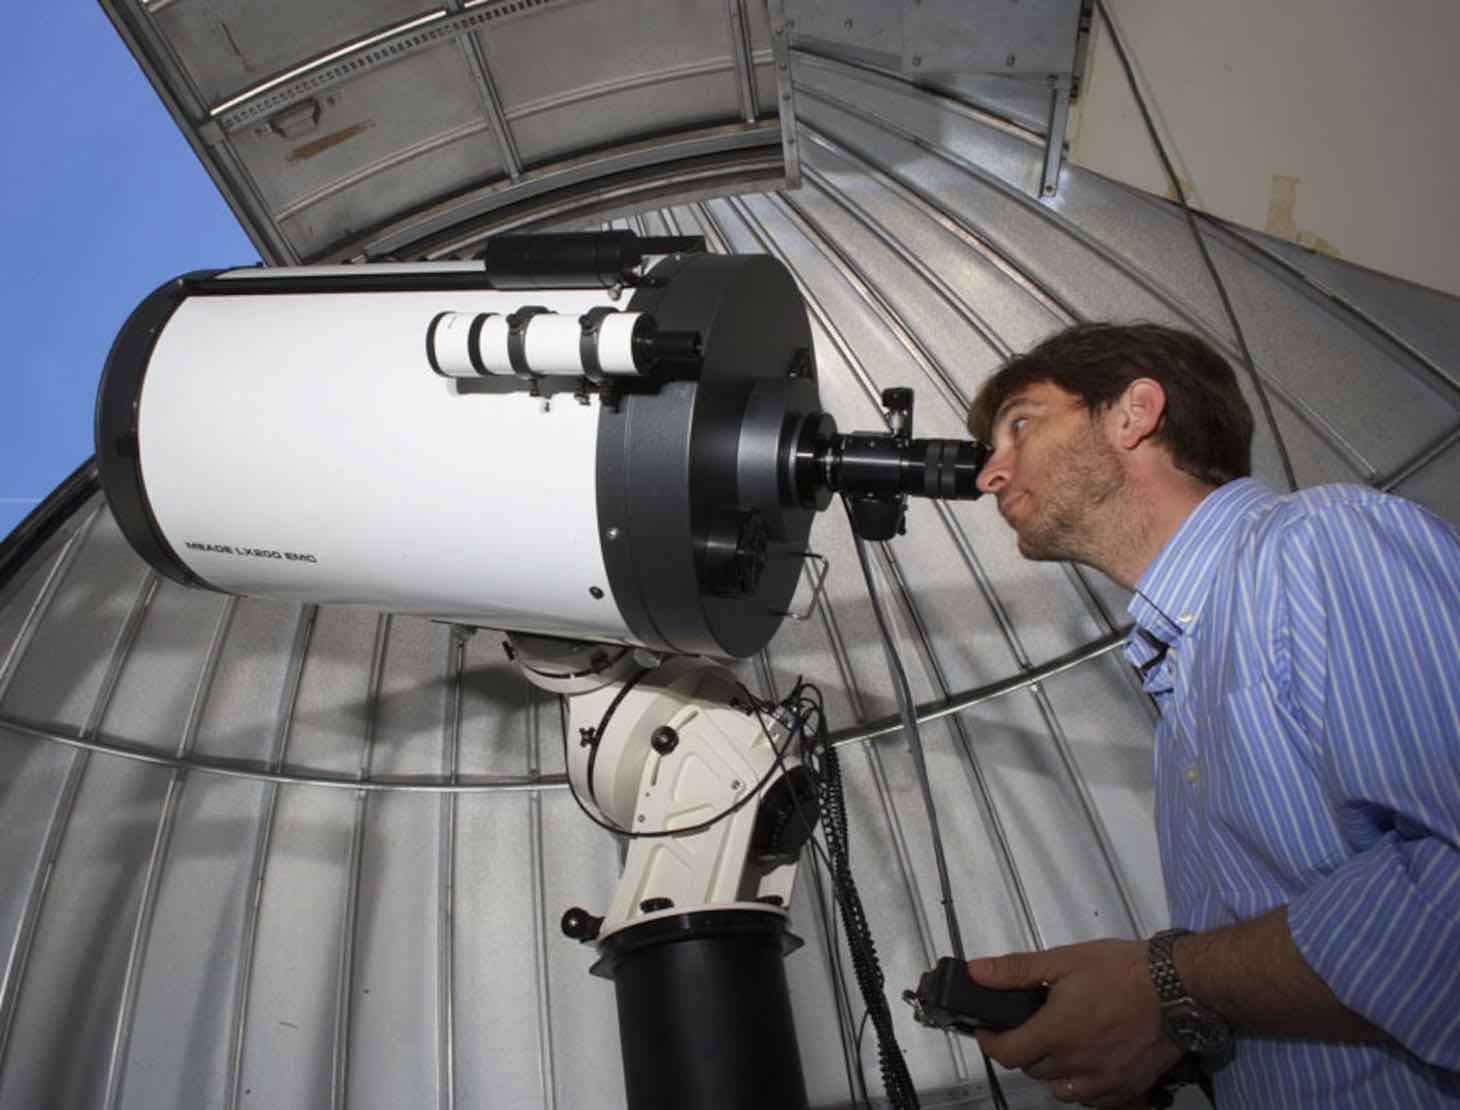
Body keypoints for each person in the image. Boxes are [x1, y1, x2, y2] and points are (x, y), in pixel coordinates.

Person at [962, 322, 1460, 1108]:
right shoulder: (1182, 674)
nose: (991, 474)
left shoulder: (1321, 543)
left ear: (1135, 413)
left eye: (1020, 424)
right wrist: (1168, 1033)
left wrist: (1165, 984)